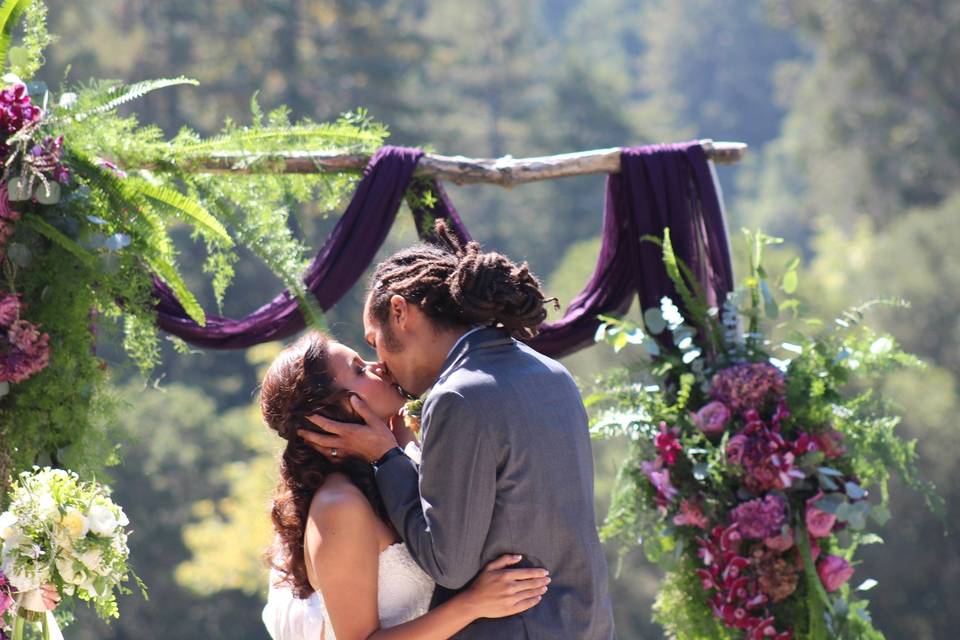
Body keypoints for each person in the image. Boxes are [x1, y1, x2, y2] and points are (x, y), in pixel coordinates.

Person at [300, 222, 616, 639]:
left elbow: (448, 563)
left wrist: (387, 458)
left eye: (374, 342)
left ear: (400, 312)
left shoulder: (457, 397)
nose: (381, 366)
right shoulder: (551, 372)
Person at [259, 331, 550, 640]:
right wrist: (473, 604)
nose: (379, 366)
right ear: (330, 415)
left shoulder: (388, 465)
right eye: (359, 370)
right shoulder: (339, 505)